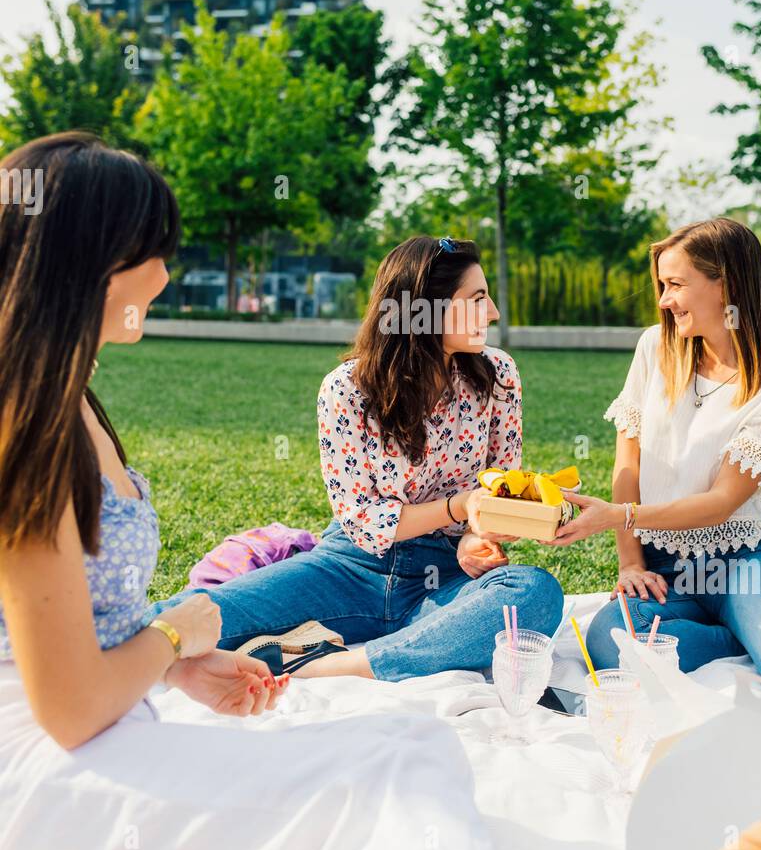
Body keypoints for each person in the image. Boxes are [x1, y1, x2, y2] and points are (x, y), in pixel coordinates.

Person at [0, 134, 550, 850]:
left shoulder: (66, 394)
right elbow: (69, 704)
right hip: (50, 768)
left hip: (106, 722)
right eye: (156, 251)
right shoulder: (30, 422)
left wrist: (176, 666)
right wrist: (179, 636)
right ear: (98, 260)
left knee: (415, 749)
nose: (166, 274)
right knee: (391, 787)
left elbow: (77, 628)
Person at [156, 236, 564, 680]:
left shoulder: (498, 374)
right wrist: (458, 507)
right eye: (478, 298)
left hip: (446, 579)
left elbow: (500, 488)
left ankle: (335, 664)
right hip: (349, 569)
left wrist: (476, 534)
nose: (493, 313)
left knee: (534, 592)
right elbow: (364, 522)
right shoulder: (347, 389)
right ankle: (419, 648)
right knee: (191, 617)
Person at [547, 218, 761, 690]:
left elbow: (723, 502)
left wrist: (615, 517)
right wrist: (631, 563)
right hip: (662, 564)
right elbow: (629, 464)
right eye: (662, 285)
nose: (663, 300)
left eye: (676, 284)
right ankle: (742, 640)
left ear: (726, 285)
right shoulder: (653, 349)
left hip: (743, 563)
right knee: (609, 639)